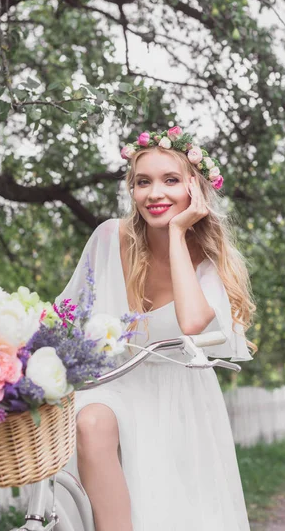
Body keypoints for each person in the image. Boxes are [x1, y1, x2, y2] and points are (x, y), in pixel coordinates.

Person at [55, 126, 256, 531]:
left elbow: (193, 322)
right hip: (113, 381)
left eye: (170, 180)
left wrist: (179, 234)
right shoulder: (111, 236)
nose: (154, 194)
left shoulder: (211, 257)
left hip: (178, 391)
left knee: (176, 509)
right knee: (91, 424)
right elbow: (64, 313)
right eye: (142, 182)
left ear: (194, 190)